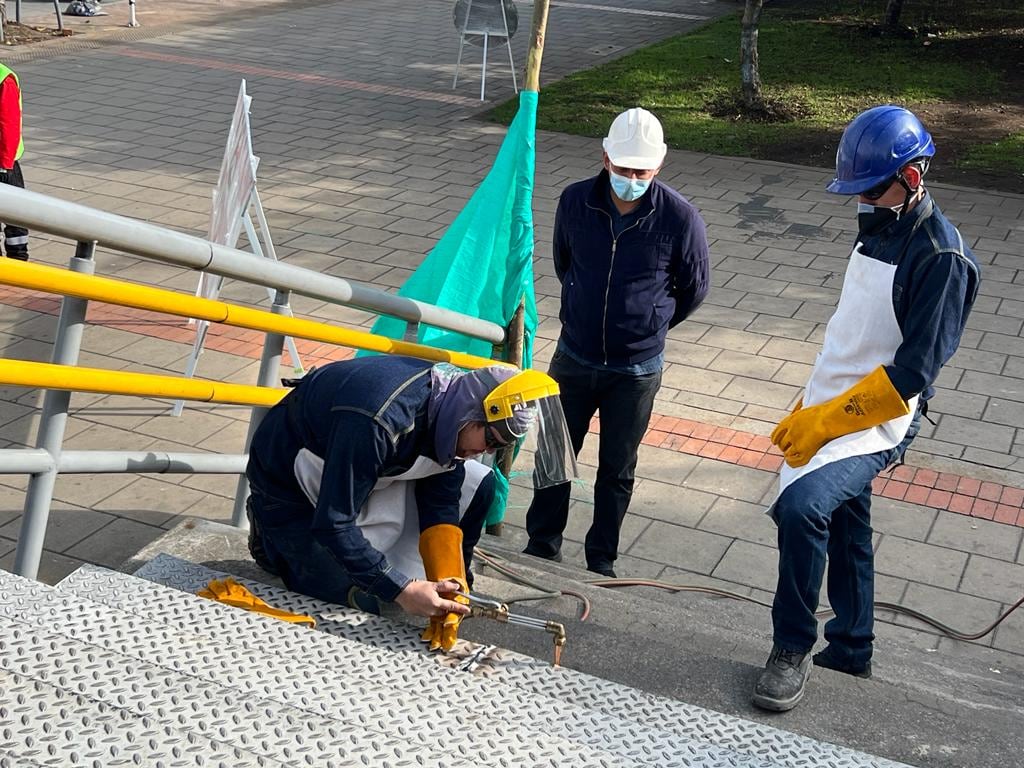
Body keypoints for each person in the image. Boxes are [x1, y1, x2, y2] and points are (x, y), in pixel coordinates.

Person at [751, 105, 981, 712]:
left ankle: (789, 649)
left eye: (871, 189)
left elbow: (911, 375)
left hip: (880, 419)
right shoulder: (878, 221)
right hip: (832, 393)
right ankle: (853, 645)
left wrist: (826, 422)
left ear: (913, 178)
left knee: (802, 510)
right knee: (847, 521)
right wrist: (811, 399)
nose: (863, 201)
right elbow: (852, 327)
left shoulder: (942, 259)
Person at [244, 355, 573, 652]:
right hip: (293, 483)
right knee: (356, 603)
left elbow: (442, 495)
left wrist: (450, 578)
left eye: (498, 447)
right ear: (471, 416)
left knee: (479, 486)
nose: (487, 451)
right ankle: (272, 538)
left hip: (367, 472)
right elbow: (335, 522)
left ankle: (400, 572)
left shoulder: (450, 409)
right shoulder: (379, 419)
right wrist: (400, 589)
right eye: (489, 440)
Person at [522, 107, 710, 578]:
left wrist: (650, 324)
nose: (630, 178)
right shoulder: (574, 201)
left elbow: (694, 288)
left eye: (640, 172)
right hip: (574, 356)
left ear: (658, 166)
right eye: (622, 169)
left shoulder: (680, 218)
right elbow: (565, 263)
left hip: (636, 369)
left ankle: (601, 558)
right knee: (554, 455)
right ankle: (542, 544)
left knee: (617, 469)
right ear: (605, 157)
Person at [0, 63, 29, 261]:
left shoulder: (4, 80)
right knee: (16, 214)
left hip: (4, 162)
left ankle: (17, 260)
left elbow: (7, 124)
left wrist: (5, 163)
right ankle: (17, 260)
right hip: (5, 162)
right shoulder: (5, 77)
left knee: (15, 216)